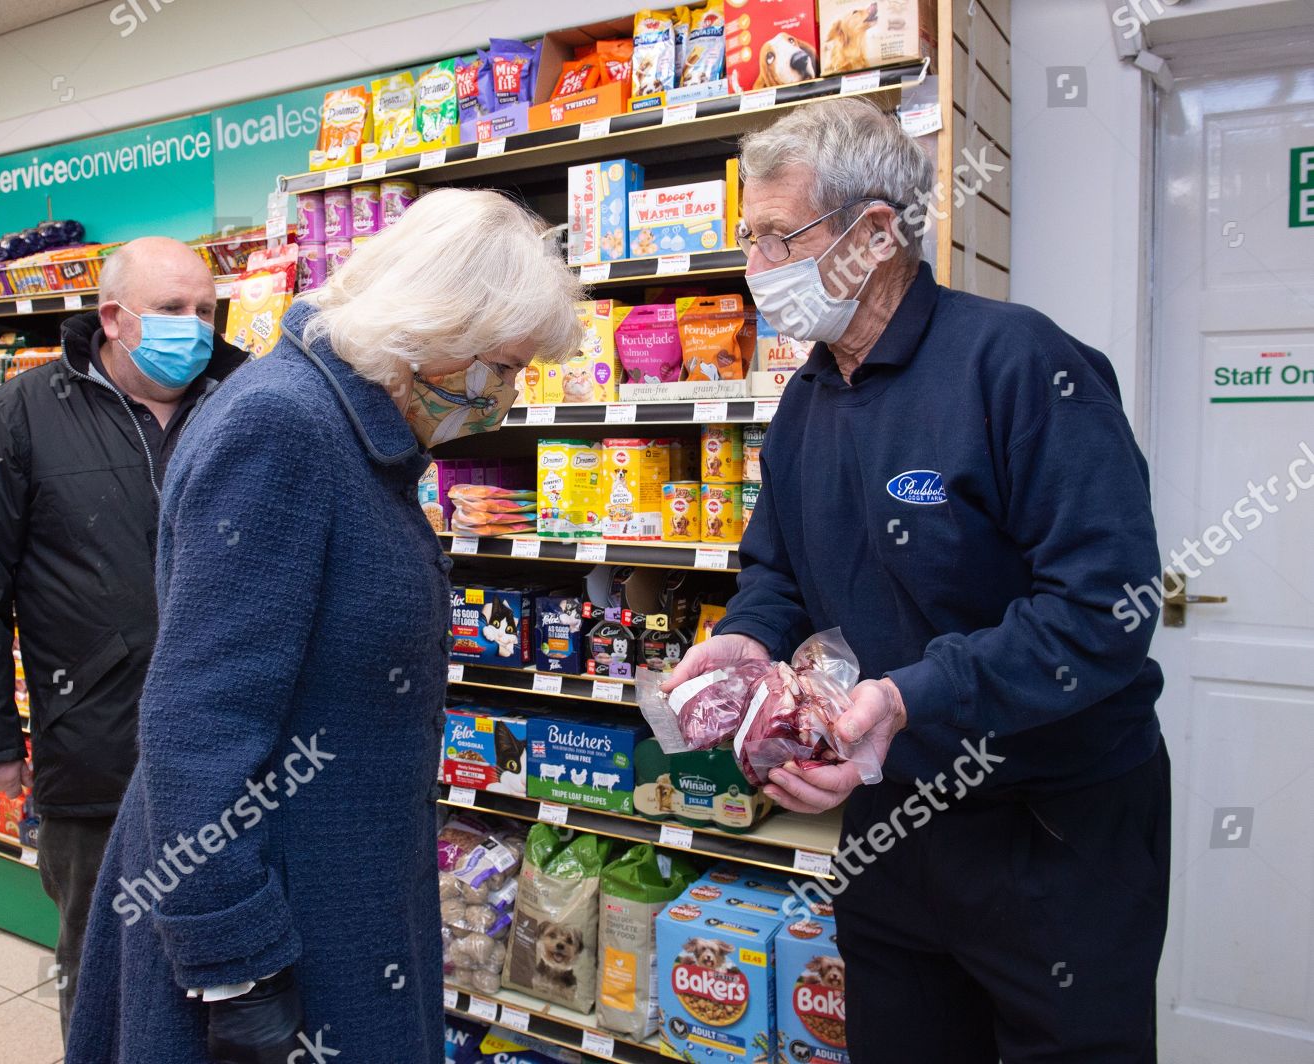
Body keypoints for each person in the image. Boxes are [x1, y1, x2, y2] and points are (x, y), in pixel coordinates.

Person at [664, 98, 1169, 1062]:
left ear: (876, 233)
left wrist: (909, 696)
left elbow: (1104, 609)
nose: (755, 268)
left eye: (779, 238)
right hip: (892, 816)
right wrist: (748, 640)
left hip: (1051, 825)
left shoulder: (1018, 363)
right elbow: (779, 575)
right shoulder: (806, 401)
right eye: (748, 239)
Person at [63, 189, 582, 1064]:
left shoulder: (346, 426)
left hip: (339, 887)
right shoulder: (285, 427)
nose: (504, 396)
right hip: (283, 914)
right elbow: (200, 719)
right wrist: (236, 966)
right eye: (502, 365)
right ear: (432, 330)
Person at [0, 236, 248, 1045]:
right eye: (173, 311)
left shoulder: (250, 399)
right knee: (106, 968)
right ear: (114, 318)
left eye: (206, 310)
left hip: (243, 750)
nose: (196, 327)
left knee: (241, 970)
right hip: (96, 753)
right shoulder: (21, 413)